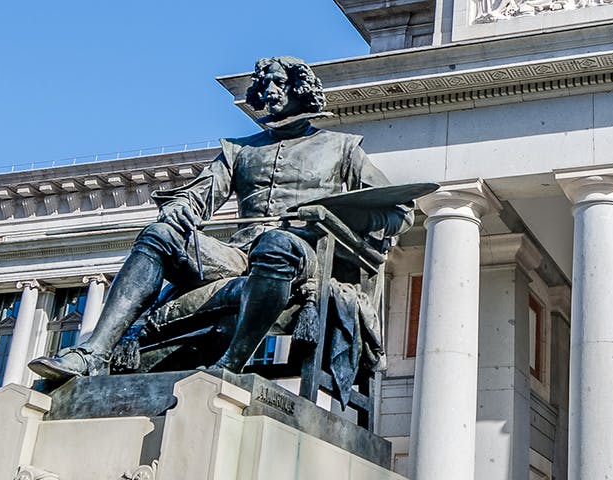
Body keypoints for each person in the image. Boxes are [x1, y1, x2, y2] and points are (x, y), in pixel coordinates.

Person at [29, 56, 411, 381]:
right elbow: (199, 195)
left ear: (300, 88)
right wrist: (180, 208)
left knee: (276, 243)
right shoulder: (239, 150)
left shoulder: (341, 147)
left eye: (279, 83)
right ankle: (93, 352)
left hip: (306, 256)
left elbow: (399, 212)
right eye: (264, 84)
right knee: (159, 234)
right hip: (238, 255)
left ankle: (231, 362)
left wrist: (331, 217)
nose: (270, 91)